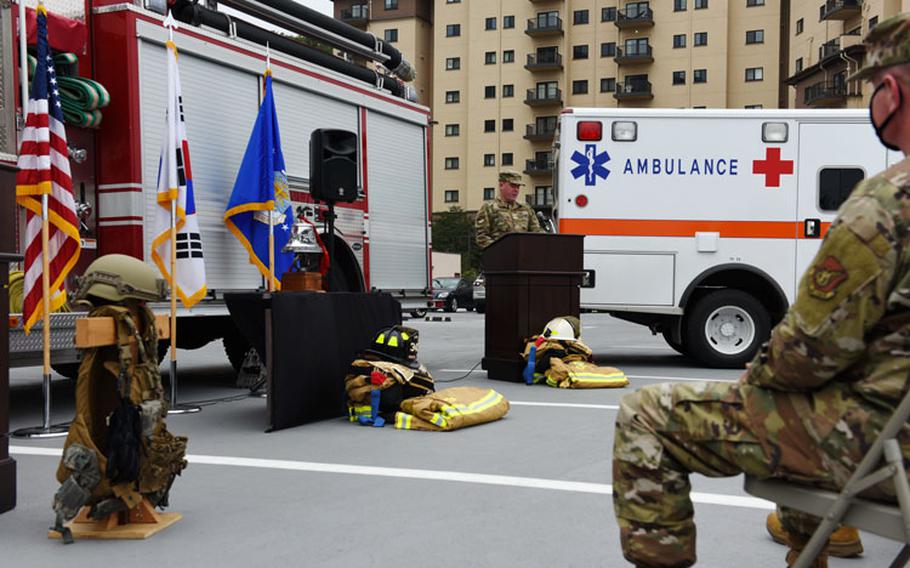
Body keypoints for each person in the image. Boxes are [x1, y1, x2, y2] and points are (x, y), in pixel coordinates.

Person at [611, 14, 910, 568]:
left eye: (870, 91)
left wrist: (763, 371)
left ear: (890, 91)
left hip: (888, 449)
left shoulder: (887, 204)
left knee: (647, 415)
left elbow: (808, 352)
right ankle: (818, 541)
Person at [474, 169, 543, 249]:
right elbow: (482, 237)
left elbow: (537, 233)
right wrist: (501, 249)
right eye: (513, 186)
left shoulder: (525, 208)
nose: (516, 190)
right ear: (501, 185)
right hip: (499, 257)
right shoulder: (489, 209)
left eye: (518, 187)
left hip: (524, 256)